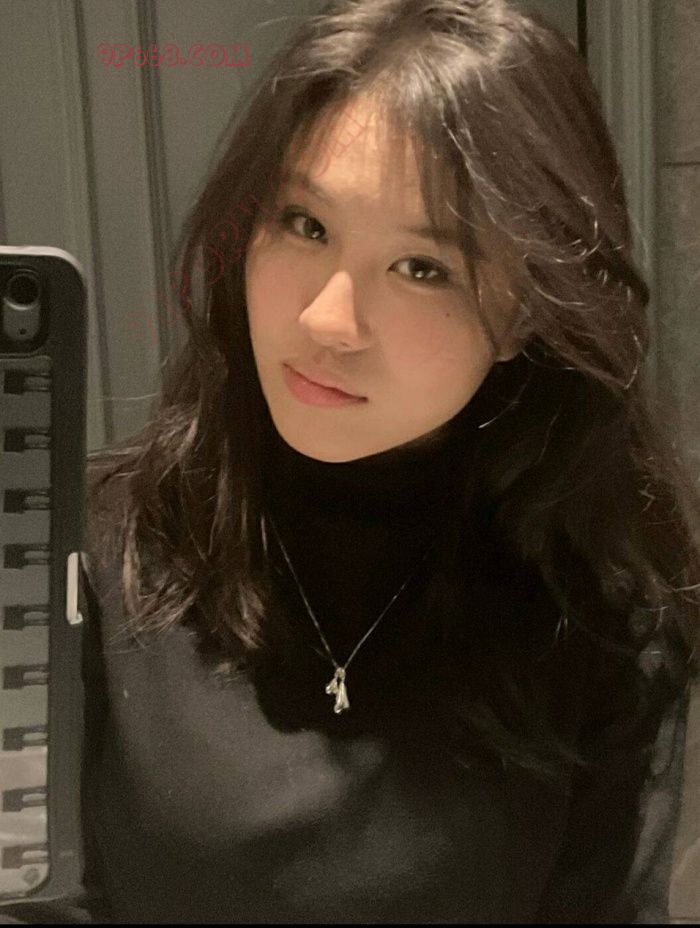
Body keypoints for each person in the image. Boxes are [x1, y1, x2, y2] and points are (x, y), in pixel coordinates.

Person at [2, 0, 698, 922]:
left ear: (526, 313)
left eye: (422, 267)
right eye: (305, 224)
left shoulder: (601, 616)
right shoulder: (93, 554)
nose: (328, 320)